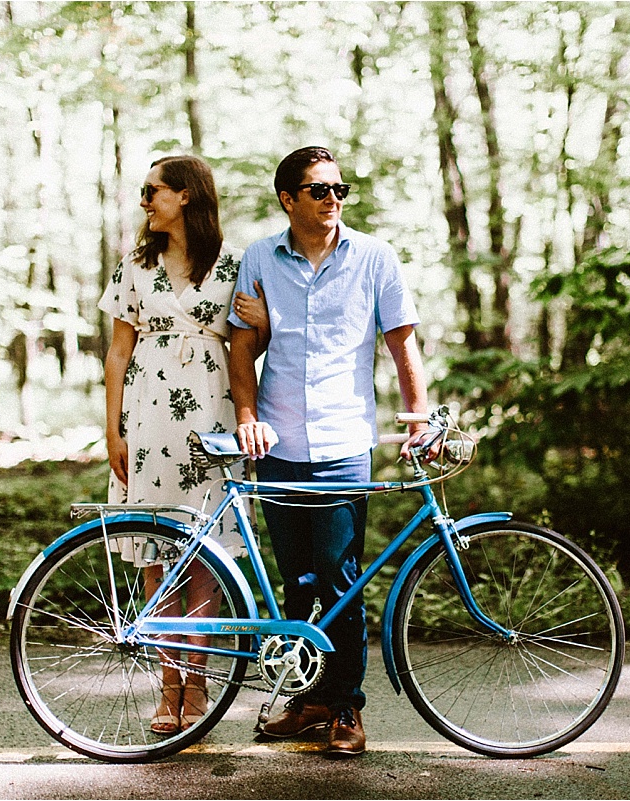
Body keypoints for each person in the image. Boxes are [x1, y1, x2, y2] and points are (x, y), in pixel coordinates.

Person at [227, 146, 432, 757]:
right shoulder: (260, 257)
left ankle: (345, 707)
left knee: (340, 580)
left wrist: (419, 415)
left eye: (340, 189)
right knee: (297, 579)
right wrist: (246, 414)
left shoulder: (374, 257)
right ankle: (308, 699)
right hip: (278, 440)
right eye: (319, 190)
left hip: (344, 443)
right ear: (288, 199)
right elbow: (242, 349)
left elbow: (402, 344)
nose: (333, 200)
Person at [100, 154, 267, 736]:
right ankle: (166, 686)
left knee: (203, 554)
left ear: (187, 197)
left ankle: (199, 683)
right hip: (148, 418)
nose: (145, 201)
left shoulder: (235, 265)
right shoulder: (135, 265)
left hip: (213, 415)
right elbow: (118, 352)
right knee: (154, 552)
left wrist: (262, 321)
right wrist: (112, 428)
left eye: (153, 191)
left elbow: (252, 344)